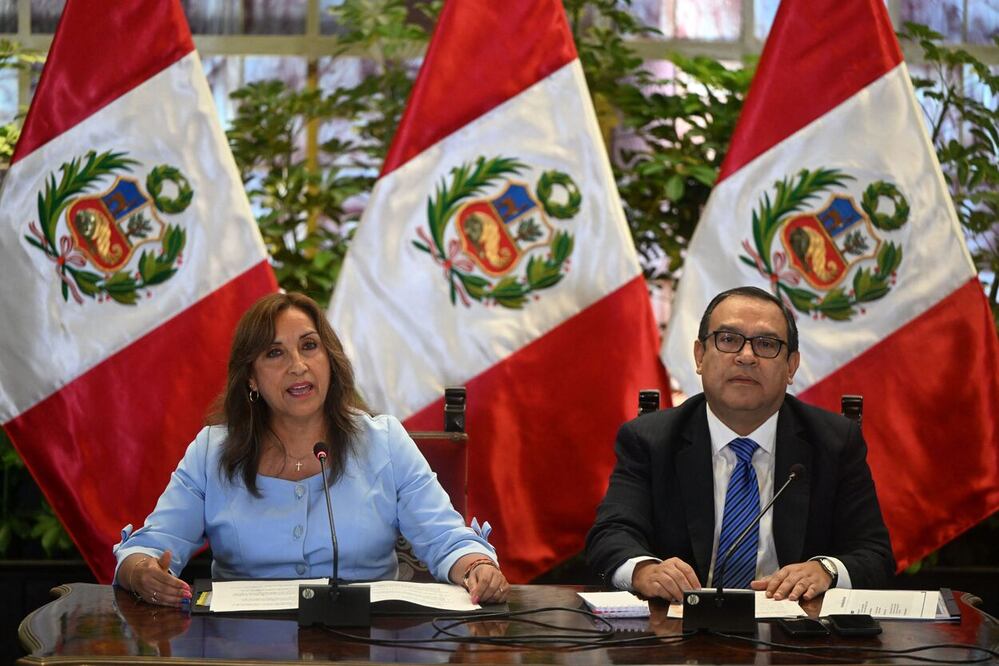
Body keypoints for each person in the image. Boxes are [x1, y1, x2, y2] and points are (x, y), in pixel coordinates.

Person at [114, 292, 508, 607]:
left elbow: (447, 540)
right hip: (241, 647)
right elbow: (151, 547)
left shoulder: (384, 442)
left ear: (330, 360)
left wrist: (476, 567)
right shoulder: (211, 452)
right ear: (251, 377)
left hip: (367, 646)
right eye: (275, 353)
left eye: (309, 346)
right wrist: (140, 571)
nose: (298, 365)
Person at [586, 286, 894, 603]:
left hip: (794, 626)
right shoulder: (650, 440)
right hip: (680, 623)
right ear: (700, 356)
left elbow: (875, 554)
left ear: (791, 366)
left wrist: (826, 570)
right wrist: (643, 571)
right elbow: (611, 535)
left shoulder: (833, 442)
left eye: (766, 344)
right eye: (728, 339)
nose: (746, 356)